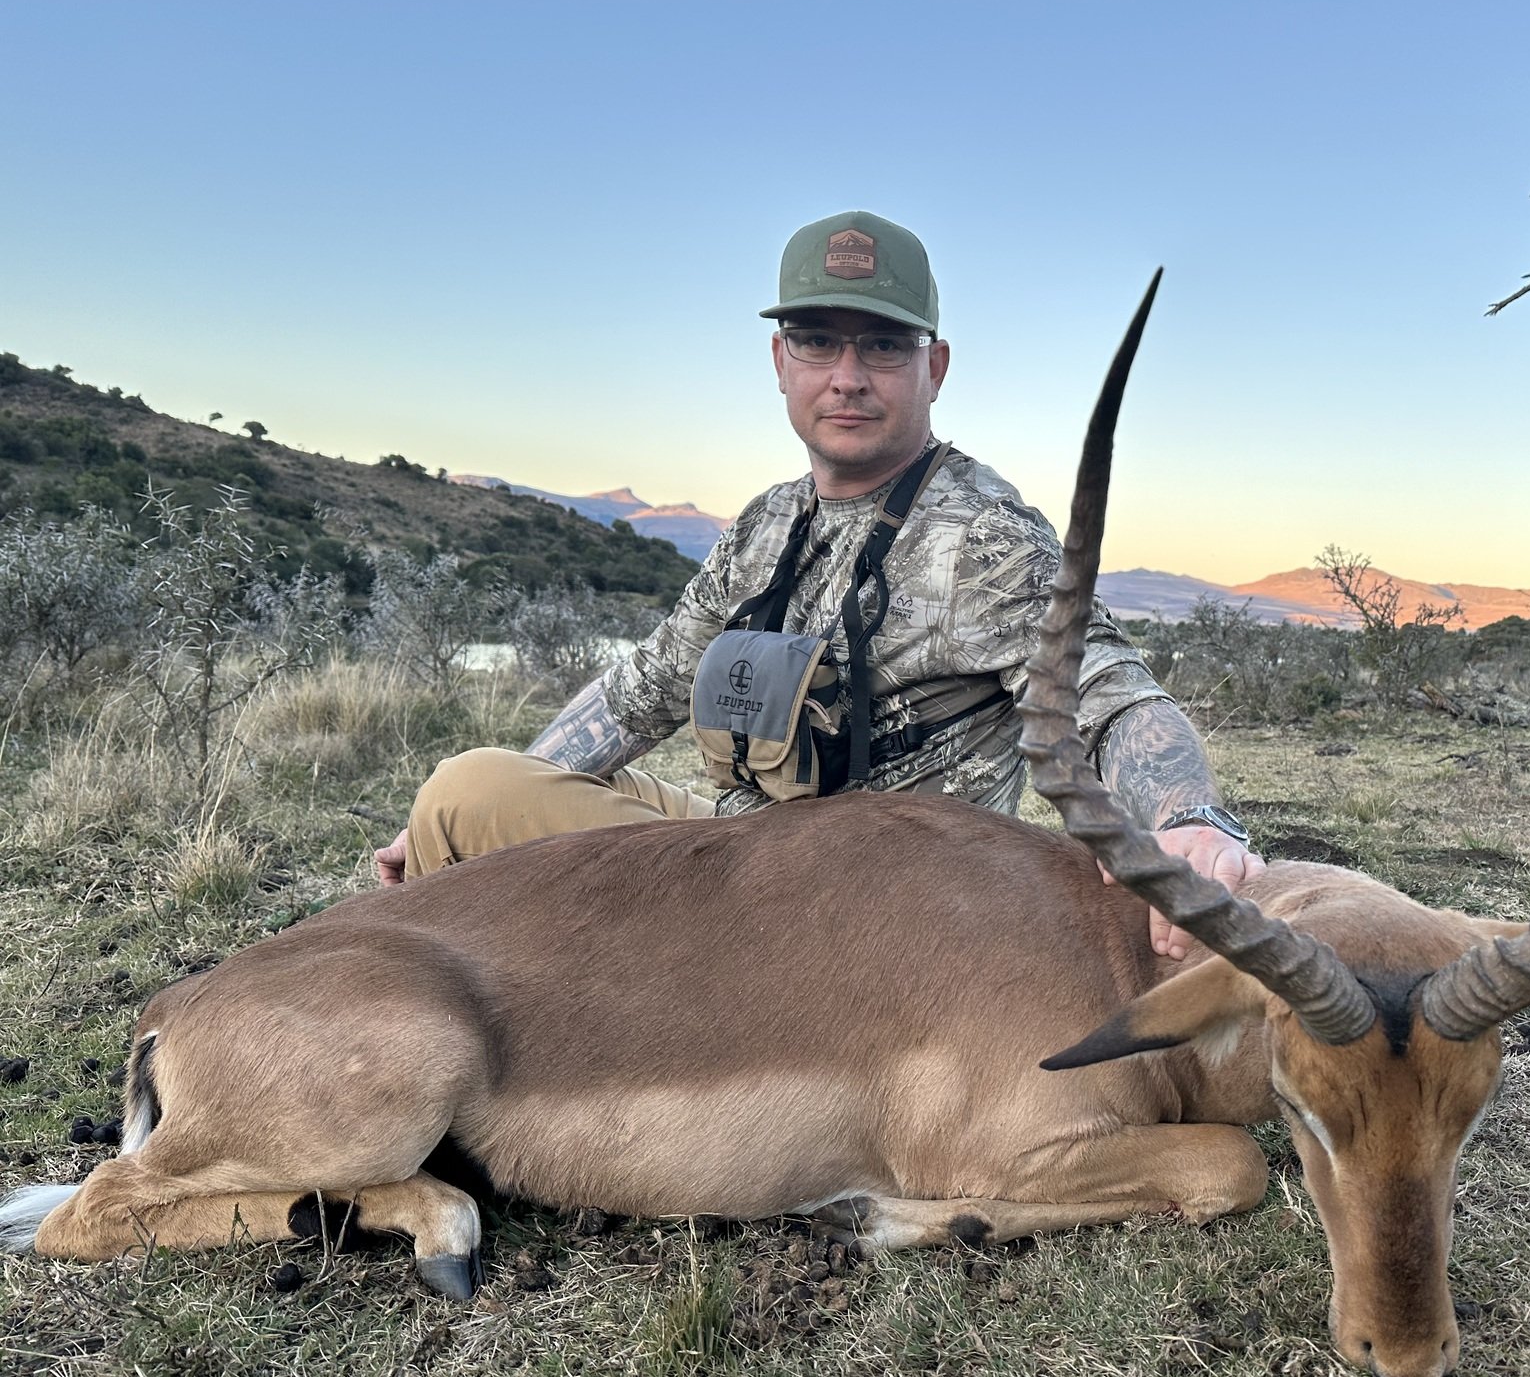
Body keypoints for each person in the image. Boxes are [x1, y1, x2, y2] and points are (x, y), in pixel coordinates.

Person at [372, 210, 1259, 959]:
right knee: (466, 790)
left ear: (934, 367)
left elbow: (1112, 697)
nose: (847, 374)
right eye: (817, 340)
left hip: (873, 920)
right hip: (735, 858)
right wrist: (453, 836)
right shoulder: (765, 524)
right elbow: (640, 692)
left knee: (490, 831)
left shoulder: (982, 536)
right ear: (780, 361)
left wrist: (1188, 819)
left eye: (882, 345)